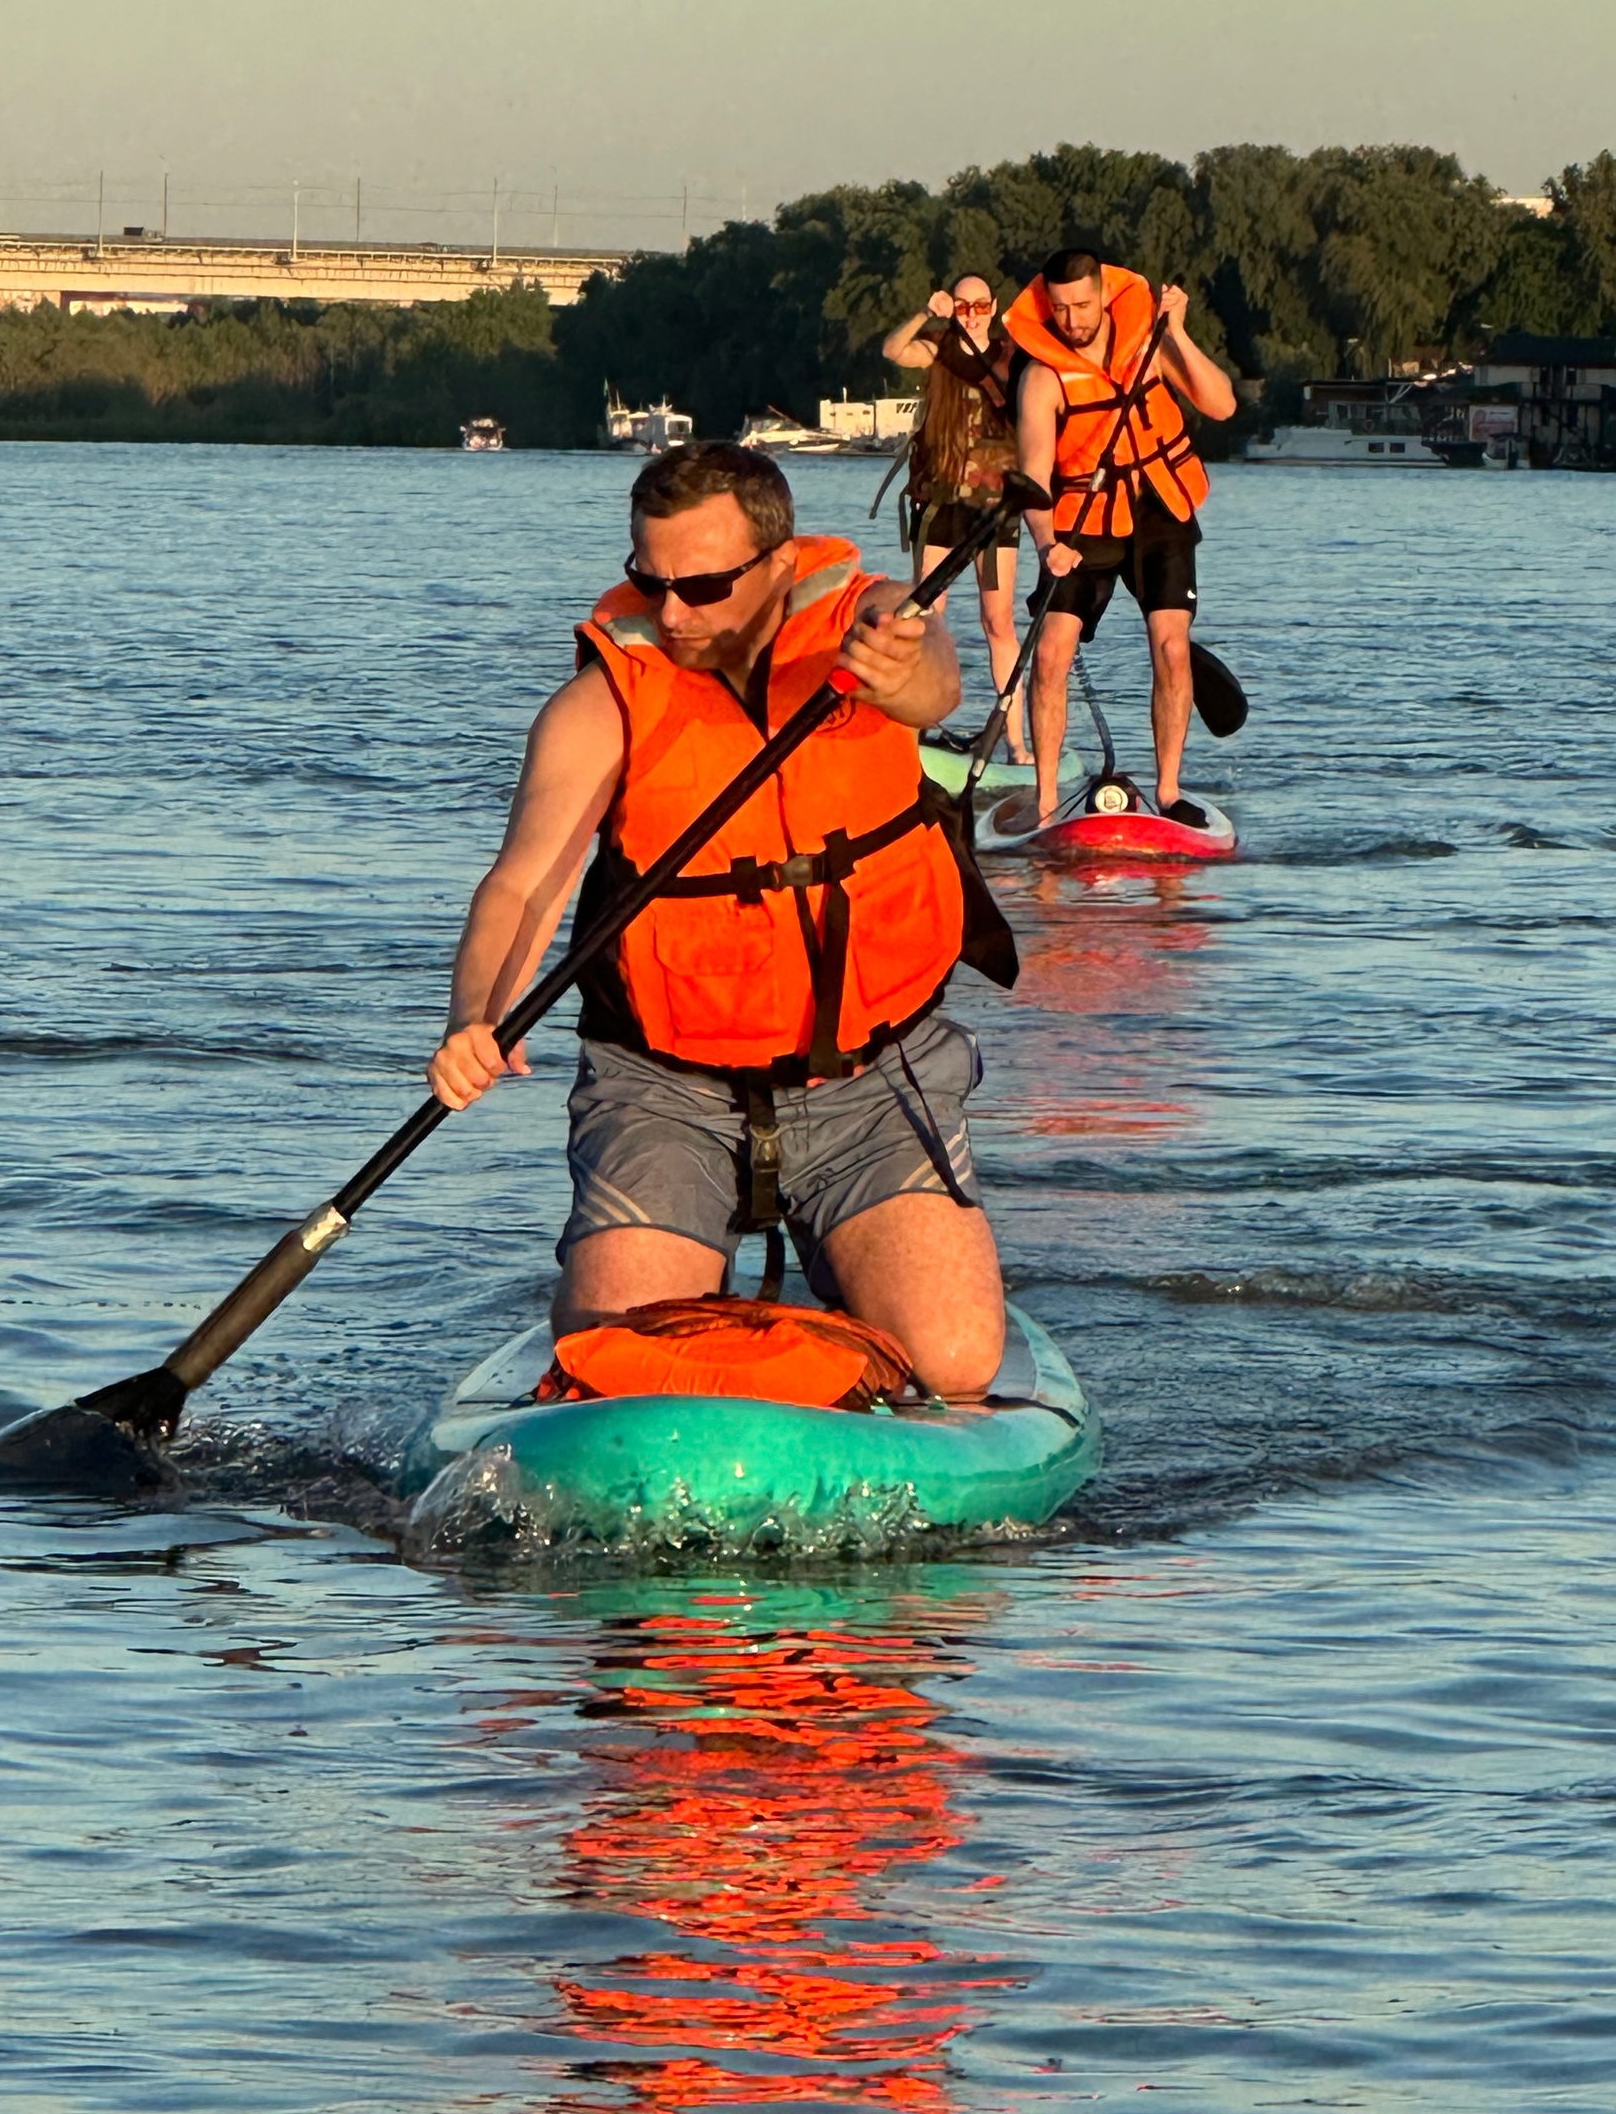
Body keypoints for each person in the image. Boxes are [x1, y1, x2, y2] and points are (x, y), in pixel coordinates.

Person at [426, 443, 1015, 1400]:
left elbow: (932, 685)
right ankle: (700, 1316)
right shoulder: (603, 702)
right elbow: (521, 887)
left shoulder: (872, 624)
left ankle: (837, 1322)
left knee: (953, 1362)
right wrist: (471, 1019)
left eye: (702, 586)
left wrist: (894, 668)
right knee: (621, 1375)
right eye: (649, 581)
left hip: (873, 1080)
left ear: (780, 567)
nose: (672, 612)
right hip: (664, 1089)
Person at [1006, 245, 1236, 824]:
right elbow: (1034, 473)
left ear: (1104, 294)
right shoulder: (1042, 375)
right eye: (1060, 309)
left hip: (1161, 507)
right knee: (1052, 651)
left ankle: (1167, 791)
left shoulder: (1149, 343)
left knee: (1170, 644)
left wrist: (1176, 332)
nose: (1073, 320)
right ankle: (1046, 801)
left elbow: (1222, 404)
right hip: (1081, 522)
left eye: (1082, 305)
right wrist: (1045, 544)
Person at [882, 275, 1030, 764]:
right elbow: (893, 349)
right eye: (963, 306)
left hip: (995, 509)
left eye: (980, 305)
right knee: (925, 617)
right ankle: (915, 731)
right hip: (942, 503)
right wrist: (927, 312)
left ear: (993, 308)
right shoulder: (938, 347)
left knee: (998, 622)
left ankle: (1015, 742)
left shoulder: (1013, 357)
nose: (972, 314)